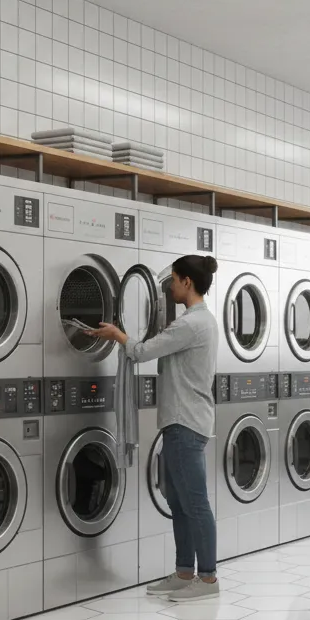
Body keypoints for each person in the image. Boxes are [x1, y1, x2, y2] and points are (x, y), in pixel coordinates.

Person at [86, 254, 220, 601]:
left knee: (195, 503)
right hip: (184, 421)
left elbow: (142, 351)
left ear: (187, 282)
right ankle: (183, 572)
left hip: (185, 423)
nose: (170, 286)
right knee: (178, 501)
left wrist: (118, 335)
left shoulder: (191, 324)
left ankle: (207, 580)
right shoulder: (199, 321)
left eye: (173, 280)